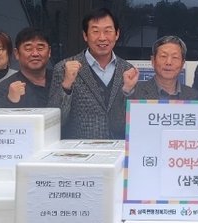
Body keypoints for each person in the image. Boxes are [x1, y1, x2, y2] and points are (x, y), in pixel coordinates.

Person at [50, 9, 139, 139]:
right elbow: (55, 121)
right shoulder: (64, 68)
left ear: (117, 34)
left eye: (108, 31)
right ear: (85, 35)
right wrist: (66, 85)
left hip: (119, 147)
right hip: (81, 148)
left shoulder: (128, 70)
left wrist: (127, 92)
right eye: (95, 31)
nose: (102, 37)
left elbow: (135, 120)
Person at [0, 26, 53, 108]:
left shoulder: (60, 81)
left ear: (49, 52)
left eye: (40, 48)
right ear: (16, 53)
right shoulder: (5, 88)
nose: (35, 53)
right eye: (28, 49)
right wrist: (10, 101)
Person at [130, 35, 198, 100]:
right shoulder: (135, 92)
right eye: (163, 56)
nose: (168, 62)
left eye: (175, 57)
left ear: (182, 64)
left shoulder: (193, 95)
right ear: (153, 61)